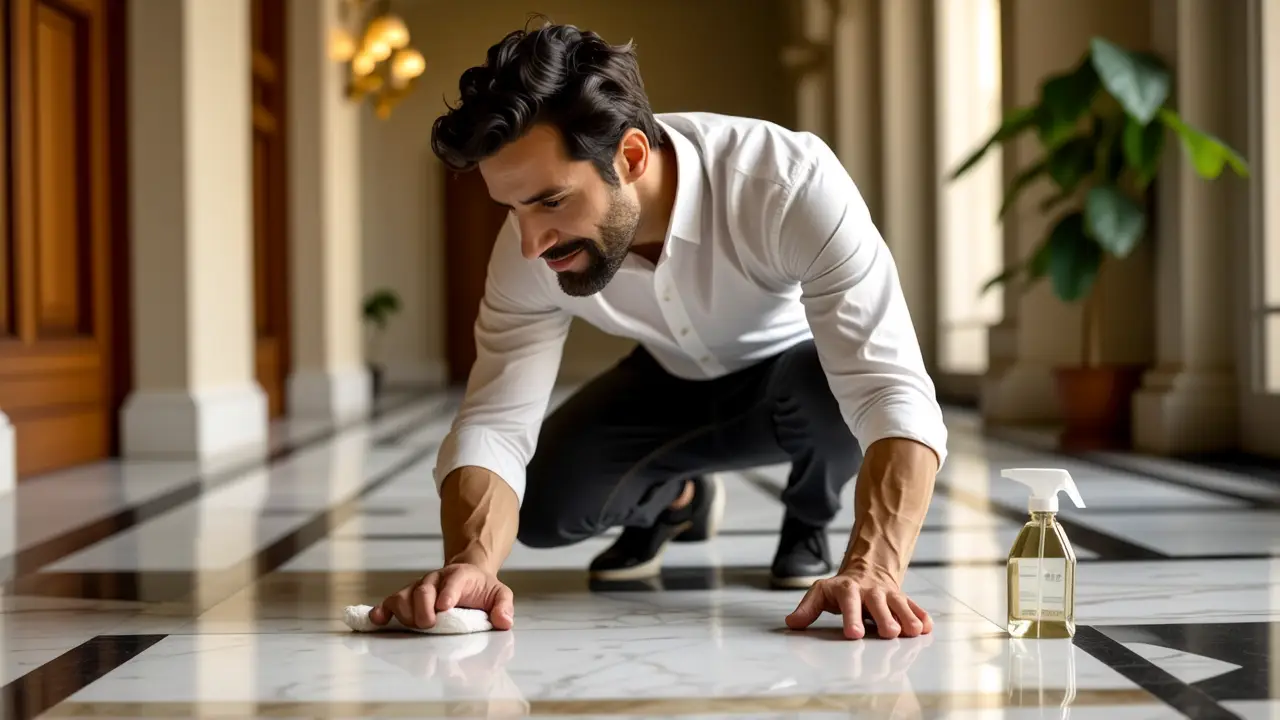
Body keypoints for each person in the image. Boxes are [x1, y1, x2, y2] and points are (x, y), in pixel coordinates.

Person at [370, 22, 948, 641]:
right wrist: (470, 563)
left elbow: (890, 389)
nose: (532, 242)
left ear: (632, 157)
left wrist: (875, 568)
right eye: (511, 208)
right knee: (540, 509)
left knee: (839, 389)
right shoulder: (525, 247)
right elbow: (494, 424)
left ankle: (808, 517)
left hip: (795, 376)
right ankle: (681, 499)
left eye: (551, 201)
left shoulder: (788, 182)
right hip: (668, 378)